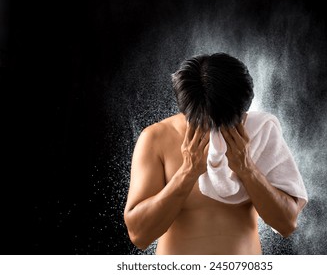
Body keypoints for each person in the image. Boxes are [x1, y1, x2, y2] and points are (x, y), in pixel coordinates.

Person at [123, 53, 307, 254]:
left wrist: (247, 168)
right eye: (206, 121)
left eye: (224, 121)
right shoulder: (156, 138)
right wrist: (187, 172)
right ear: (188, 109)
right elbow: (139, 235)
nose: (215, 131)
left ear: (242, 109)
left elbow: (287, 223)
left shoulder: (260, 134)